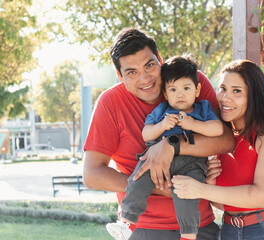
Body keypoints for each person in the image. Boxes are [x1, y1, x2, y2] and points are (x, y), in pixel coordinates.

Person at [82, 27, 235, 240]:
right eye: (131, 72)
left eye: (150, 65)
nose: (145, 79)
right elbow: (92, 175)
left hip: (200, 227)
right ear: (119, 76)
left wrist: (172, 145)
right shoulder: (109, 103)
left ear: (160, 60)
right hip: (144, 229)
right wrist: (156, 186)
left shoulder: (189, 81)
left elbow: (227, 140)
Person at [172, 60, 264, 240]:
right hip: (232, 229)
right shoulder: (224, 139)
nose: (225, 98)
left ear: (254, 96)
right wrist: (210, 184)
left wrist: (201, 189)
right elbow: (225, 205)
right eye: (222, 88)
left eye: (236, 91)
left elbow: (261, 197)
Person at [106, 55, 224, 240]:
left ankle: (188, 234)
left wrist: (193, 124)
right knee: (136, 182)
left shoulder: (203, 108)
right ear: (166, 94)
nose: (180, 94)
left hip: (191, 164)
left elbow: (217, 130)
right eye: (173, 89)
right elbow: (147, 134)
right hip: (157, 162)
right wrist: (162, 126)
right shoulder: (162, 110)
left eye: (186, 88)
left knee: (187, 198)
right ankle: (127, 222)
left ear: (197, 90)